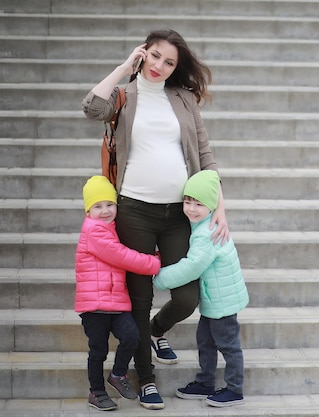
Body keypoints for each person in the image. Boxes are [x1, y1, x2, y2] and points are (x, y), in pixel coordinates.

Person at [81, 29, 230, 410]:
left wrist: (220, 209)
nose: (160, 66)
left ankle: (156, 332)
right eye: (155, 56)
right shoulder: (125, 96)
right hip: (134, 210)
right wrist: (122, 68)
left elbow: (206, 156)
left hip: (179, 213)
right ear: (143, 53)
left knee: (186, 296)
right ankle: (146, 380)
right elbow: (90, 107)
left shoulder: (183, 98)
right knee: (140, 298)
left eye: (170, 62)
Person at [153, 170, 249, 408]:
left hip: (222, 302)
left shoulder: (207, 233)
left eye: (199, 204)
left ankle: (235, 389)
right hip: (213, 299)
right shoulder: (202, 225)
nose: (191, 209)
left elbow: (191, 267)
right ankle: (205, 382)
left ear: (212, 206)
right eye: (187, 201)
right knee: (205, 341)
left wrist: (159, 279)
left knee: (228, 344)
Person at [75, 176, 161, 411]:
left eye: (109, 204)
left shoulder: (111, 228)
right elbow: (122, 256)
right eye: (97, 206)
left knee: (132, 336)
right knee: (98, 350)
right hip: (94, 305)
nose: (105, 211)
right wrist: (153, 263)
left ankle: (118, 374)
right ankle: (97, 392)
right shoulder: (94, 231)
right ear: (88, 210)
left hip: (116, 302)